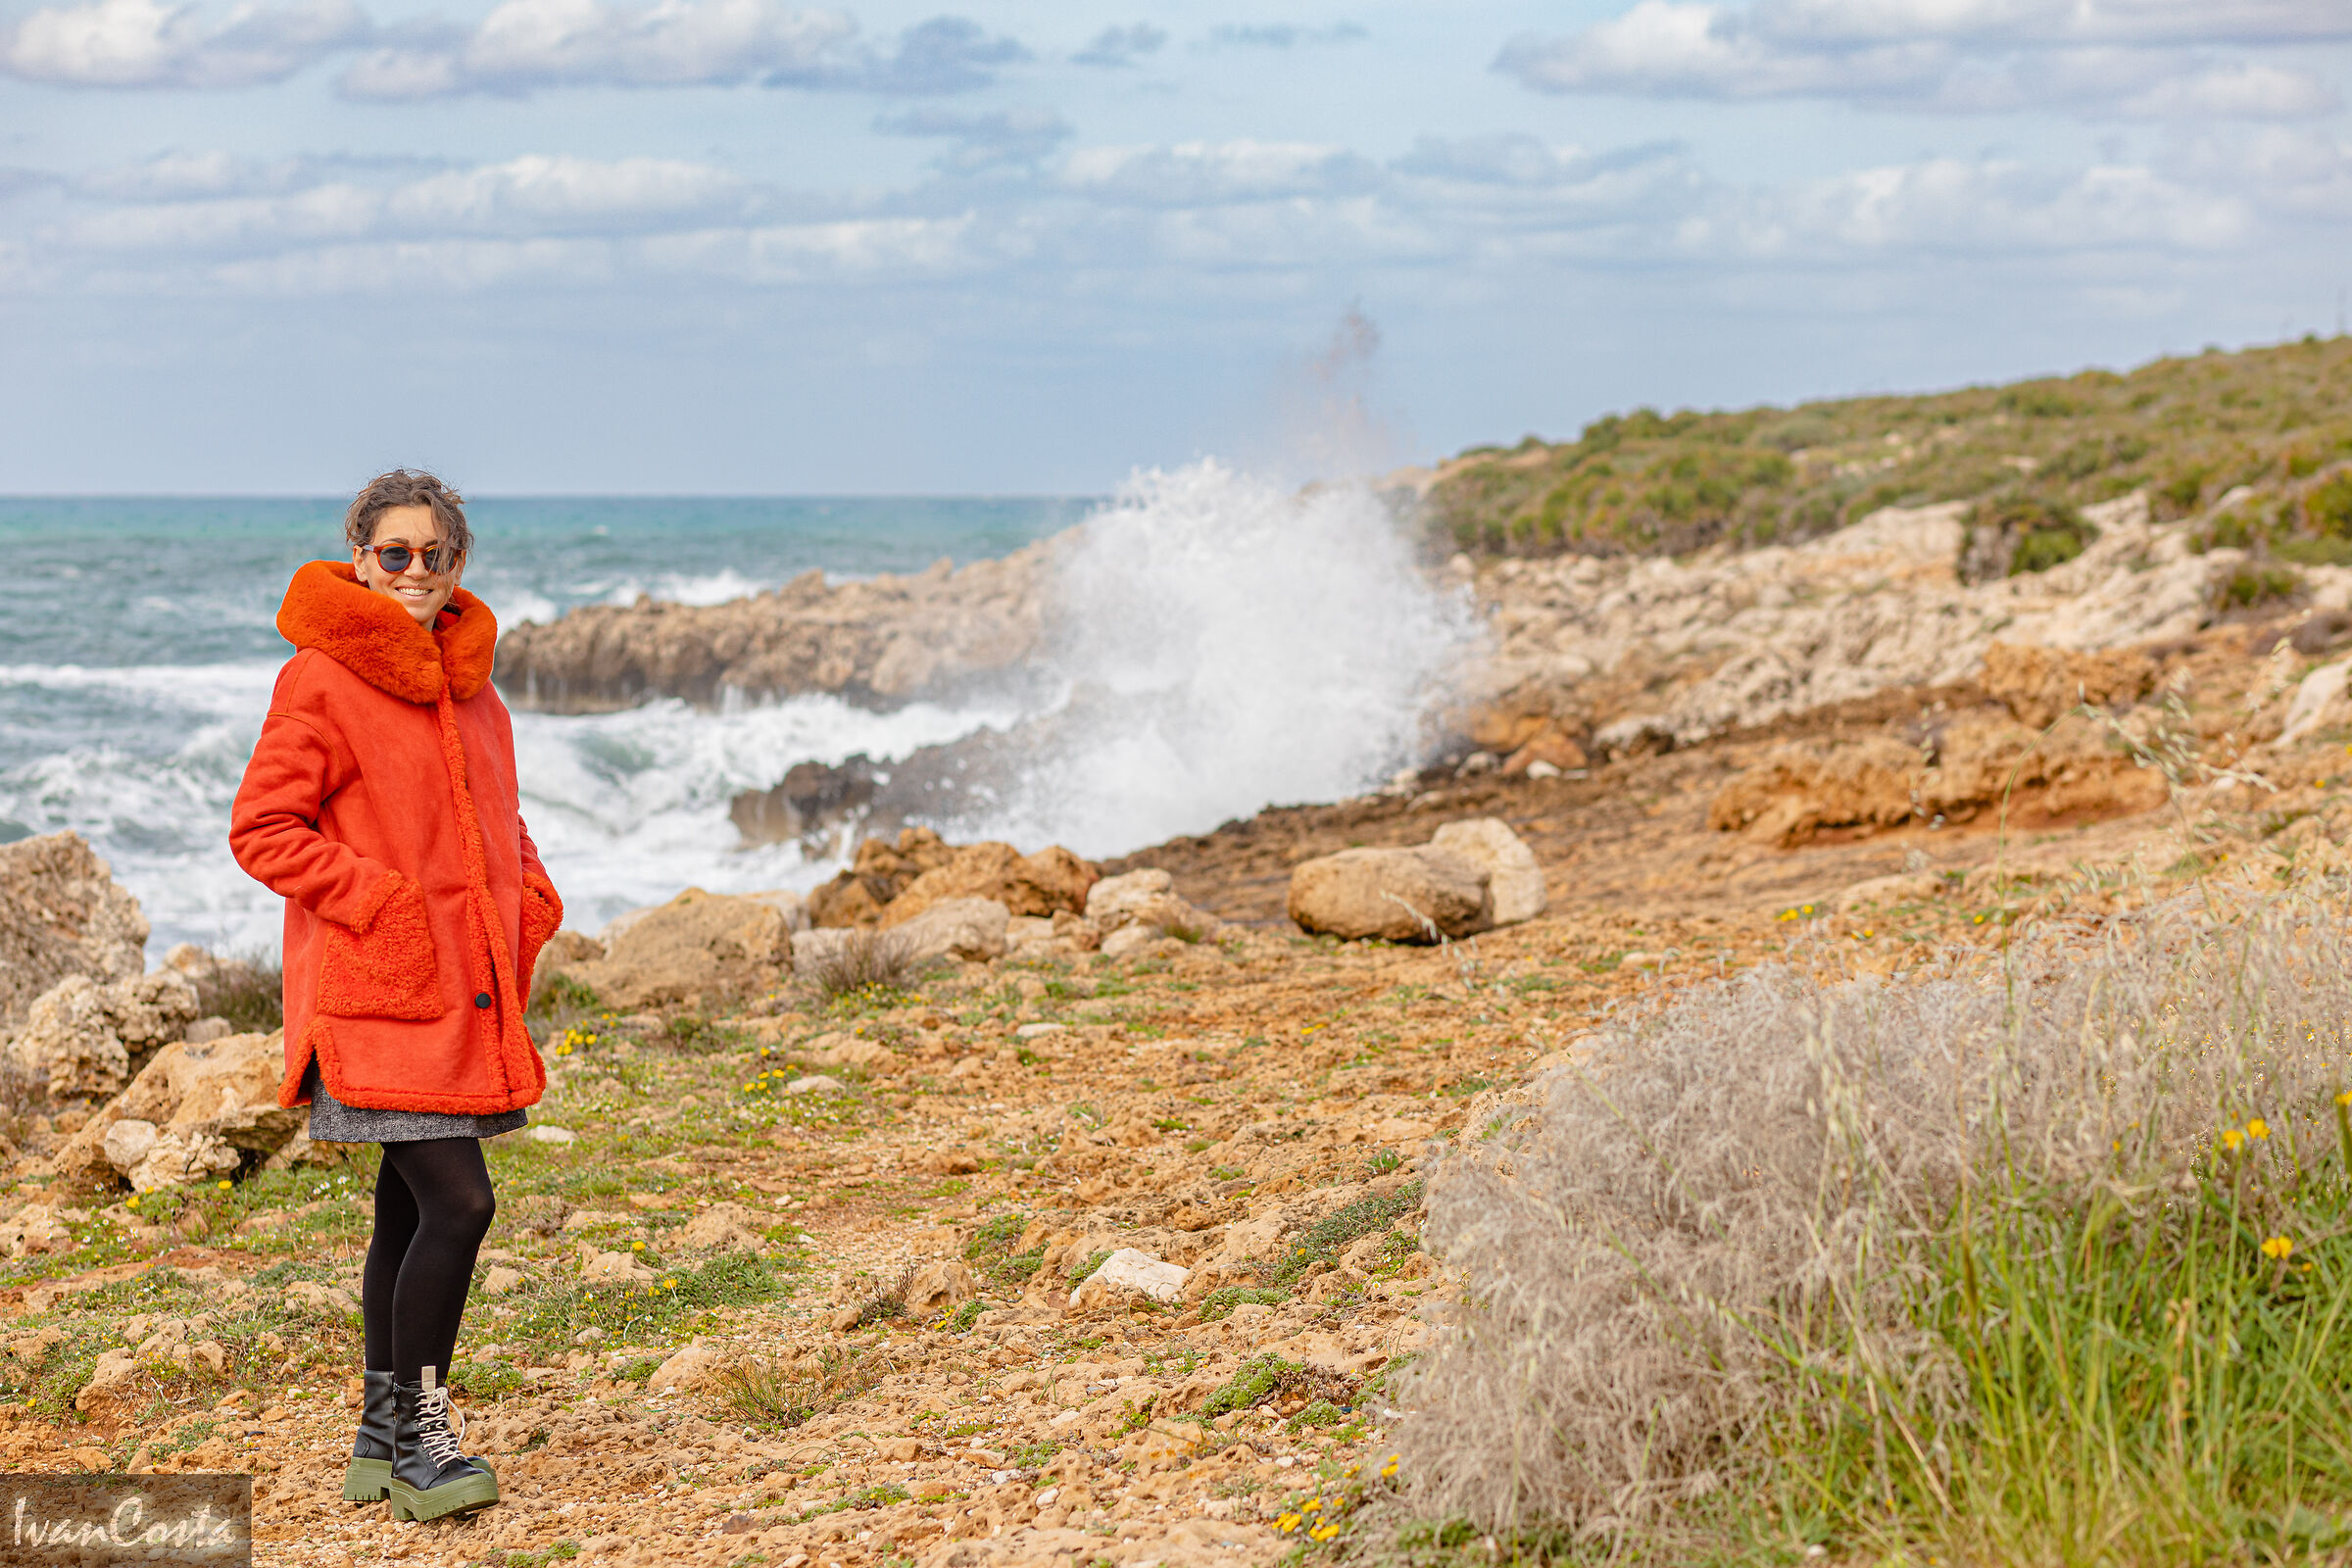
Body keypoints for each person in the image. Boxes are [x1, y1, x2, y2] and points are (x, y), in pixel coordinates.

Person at [231, 469, 562, 1523]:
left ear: (457, 565)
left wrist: (532, 892)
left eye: (434, 556)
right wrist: (380, 900)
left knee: (409, 1205)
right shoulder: (320, 682)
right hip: (376, 995)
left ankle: (378, 1438)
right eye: (393, 554)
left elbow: (497, 822)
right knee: (464, 1203)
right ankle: (422, 1434)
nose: (414, 573)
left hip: (460, 995)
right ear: (359, 559)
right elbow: (263, 830)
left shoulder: (477, 690)